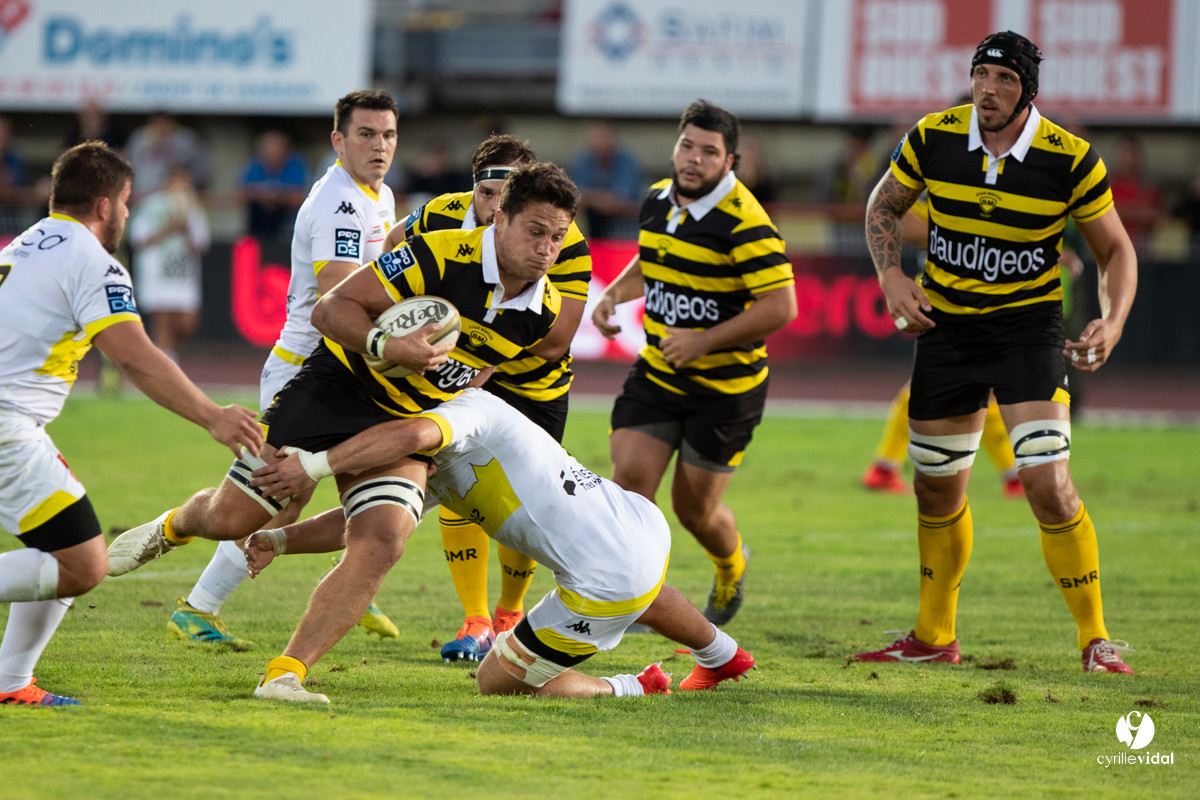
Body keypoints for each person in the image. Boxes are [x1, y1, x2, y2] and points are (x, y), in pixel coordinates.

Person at [105, 163, 578, 700]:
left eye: (557, 237)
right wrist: (389, 345)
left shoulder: (543, 311)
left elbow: (480, 368)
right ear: (501, 219)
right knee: (231, 519)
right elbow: (330, 310)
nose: (546, 249)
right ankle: (175, 525)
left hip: (400, 422)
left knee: (383, 538)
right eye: (535, 232)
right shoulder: (439, 253)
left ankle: (285, 674)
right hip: (333, 392)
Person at [854, 31, 1138, 674]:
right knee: (935, 489)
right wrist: (891, 276)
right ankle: (934, 637)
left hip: (1026, 333)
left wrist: (1113, 320)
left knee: (1047, 484)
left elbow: (1115, 249)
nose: (988, 88)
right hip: (947, 331)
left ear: (1027, 90)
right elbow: (883, 206)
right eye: (981, 73)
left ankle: (1096, 640)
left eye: (1005, 78)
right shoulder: (933, 136)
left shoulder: (1070, 158)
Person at [244, 388, 757, 702]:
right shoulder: (432, 465)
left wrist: (315, 465)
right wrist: (280, 539)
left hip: (607, 578)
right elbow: (369, 519)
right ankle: (722, 654)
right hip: (636, 524)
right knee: (632, 576)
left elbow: (414, 433)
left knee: (495, 682)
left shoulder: (468, 411)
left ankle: (635, 686)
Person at [0, 142, 262, 706]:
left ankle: (11, 682)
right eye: (124, 202)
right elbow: (135, 357)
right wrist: (213, 416)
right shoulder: (91, 262)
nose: (125, 213)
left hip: (16, 424)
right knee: (83, 563)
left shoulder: (22, 246)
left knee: (62, 549)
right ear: (104, 204)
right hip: (6, 426)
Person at [164, 90, 403, 645]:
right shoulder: (339, 204)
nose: (380, 146)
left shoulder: (379, 194)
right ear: (338, 140)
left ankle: (355, 581)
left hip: (349, 371)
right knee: (277, 498)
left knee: (373, 481)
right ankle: (195, 600)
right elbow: (338, 291)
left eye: (389, 135)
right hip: (305, 372)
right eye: (366, 134)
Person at [590, 100, 797, 627]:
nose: (694, 158)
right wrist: (614, 293)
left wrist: (705, 342)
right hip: (659, 373)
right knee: (629, 488)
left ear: (730, 162)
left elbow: (781, 306)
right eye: (687, 145)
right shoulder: (657, 200)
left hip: (725, 391)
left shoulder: (746, 223)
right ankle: (636, 597)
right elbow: (652, 259)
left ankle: (731, 564)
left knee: (693, 511)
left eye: (708, 151)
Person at [399, 133, 592, 663]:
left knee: (523, 501)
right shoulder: (440, 215)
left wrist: (481, 346)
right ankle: (476, 620)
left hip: (533, 385)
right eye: (487, 194)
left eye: (506, 196)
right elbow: (393, 248)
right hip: (458, 373)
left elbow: (556, 340)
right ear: (475, 190)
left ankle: (510, 613)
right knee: (455, 485)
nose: (492, 208)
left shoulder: (562, 239)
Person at [128, 166, 211, 362]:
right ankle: (166, 359)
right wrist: (169, 229)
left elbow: (201, 244)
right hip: (157, 270)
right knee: (162, 318)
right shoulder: (150, 205)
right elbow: (138, 240)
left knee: (187, 322)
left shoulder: (192, 208)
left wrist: (186, 229)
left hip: (183, 272)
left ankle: (166, 352)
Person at [569, 121, 644, 239]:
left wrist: (594, 199)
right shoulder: (582, 161)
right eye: (597, 138)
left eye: (604, 138)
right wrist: (601, 200)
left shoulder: (627, 163)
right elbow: (575, 197)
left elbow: (622, 201)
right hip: (590, 223)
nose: (601, 143)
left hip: (624, 227)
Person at [238, 130, 309, 242]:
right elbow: (240, 193)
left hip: (289, 221)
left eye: (276, 147)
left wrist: (277, 197)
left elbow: (303, 196)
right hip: (259, 221)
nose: (272, 151)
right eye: (268, 147)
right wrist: (262, 196)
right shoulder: (255, 165)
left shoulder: (296, 165)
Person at [1105, 134, 1162, 248]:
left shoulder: (1149, 188)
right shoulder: (1107, 186)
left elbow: (1158, 217)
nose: (1130, 159)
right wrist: (1139, 212)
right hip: (1113, 249)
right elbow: (1104, 215)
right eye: (1125, 153)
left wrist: (1122, 211)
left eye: (1134, 153)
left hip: (1143, 250)